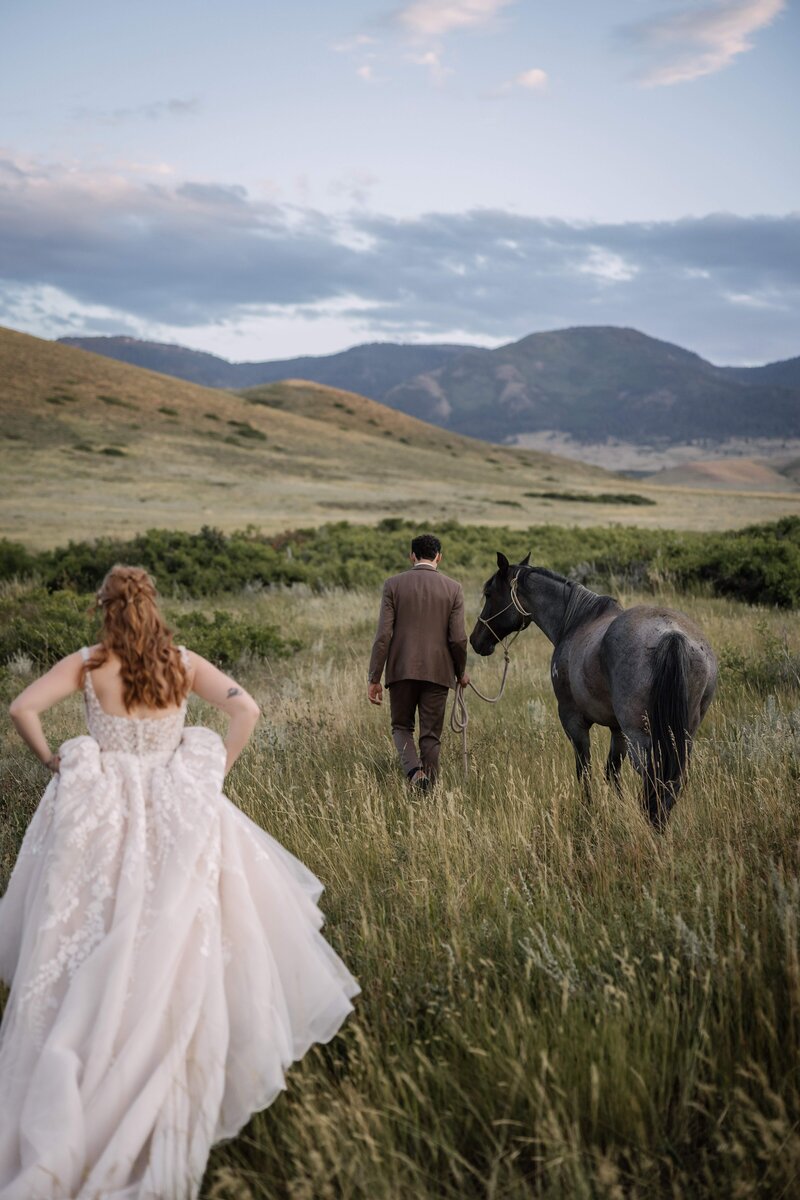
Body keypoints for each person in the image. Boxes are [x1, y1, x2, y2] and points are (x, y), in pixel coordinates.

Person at [0, 564, 358, 1200]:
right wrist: (214, 765)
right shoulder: (183, 662)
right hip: (175, 808)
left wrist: (55, 759)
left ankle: (85, 1045)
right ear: (152, 606)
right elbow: (245, 707)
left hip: (103, 812)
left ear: (106, 609)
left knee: (91, 925)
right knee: (185, 921)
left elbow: (22, 707)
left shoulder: (88, 664)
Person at [368, 533, 469, 789]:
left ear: (412, 556)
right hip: (438, 672)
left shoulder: (393, 585)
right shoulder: (454, 588)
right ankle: (429, 791)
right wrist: (460, 672)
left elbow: (383, 636)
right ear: (439, 557)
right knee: (431, 736)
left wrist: (374, 678)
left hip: (400, 670)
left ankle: (415, 774)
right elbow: (458, 639)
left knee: (401, 726)